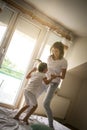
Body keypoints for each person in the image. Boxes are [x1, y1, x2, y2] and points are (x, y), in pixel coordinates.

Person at [43, 42, 68, 129]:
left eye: (56, 51)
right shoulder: (49, 57)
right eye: (53, 50)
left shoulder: (64, 61)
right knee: (31, 92)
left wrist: (56, 75)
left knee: (45, 104)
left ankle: (51, 126)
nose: (54, 52)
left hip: (54, 83)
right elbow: (47, 69)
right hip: (46, 79)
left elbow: (63, 77)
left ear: (61, 51)